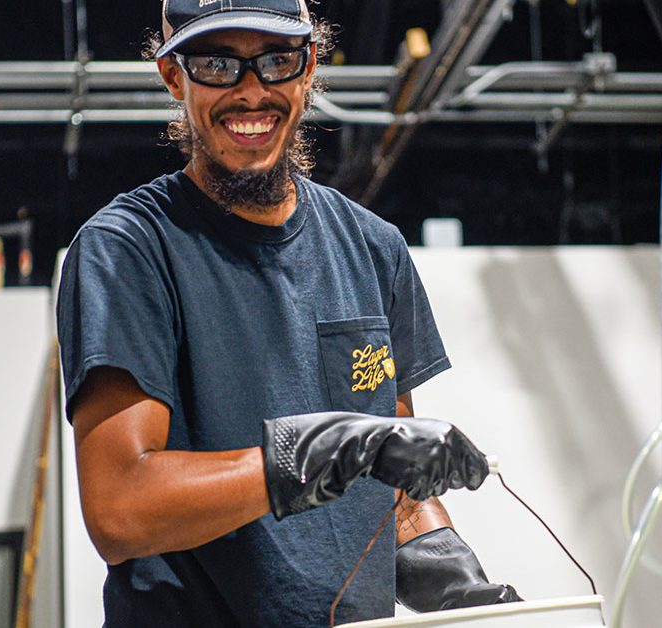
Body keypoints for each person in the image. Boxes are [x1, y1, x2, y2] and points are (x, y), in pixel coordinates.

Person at [56, 0, 520, 624]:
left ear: (309, 68)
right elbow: (122, 510)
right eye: (217, 65)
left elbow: (393, 490)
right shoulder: (129, 251)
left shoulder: (373, 249)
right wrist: (321, 451)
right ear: (173, 76)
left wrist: (463, 588)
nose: (251, 92)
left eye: (276, 61)